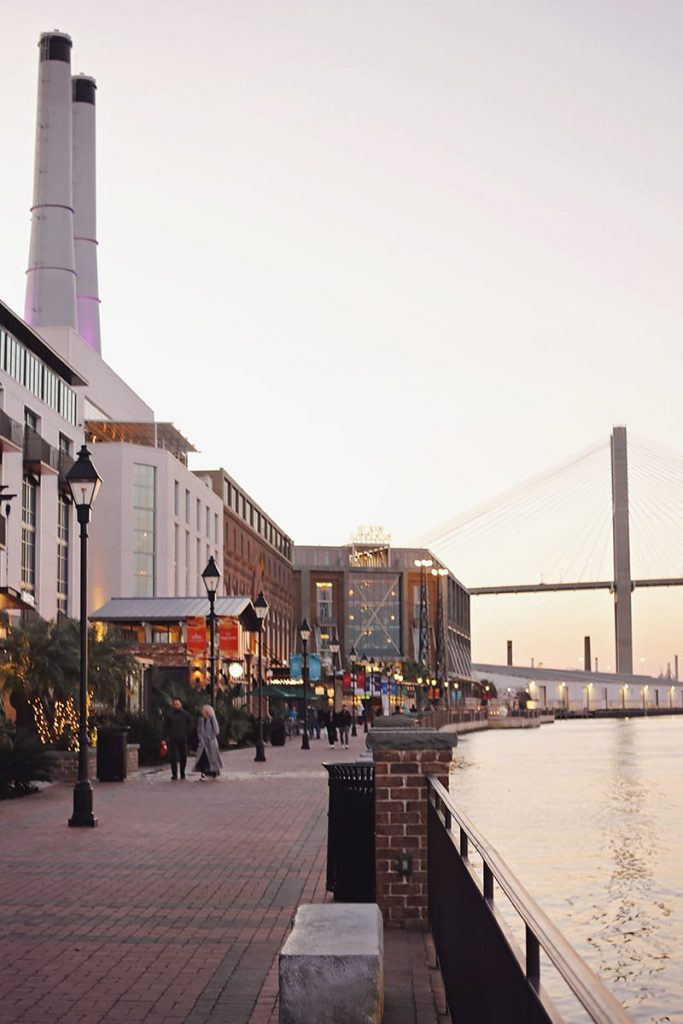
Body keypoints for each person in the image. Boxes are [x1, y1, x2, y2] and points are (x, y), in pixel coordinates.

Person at [163, 697, 192, 781]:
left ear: (181, 705)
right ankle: (174, 774)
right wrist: (164, 738)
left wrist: (186, 733)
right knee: (173, 757)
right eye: (175, 704)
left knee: (183, 756)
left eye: (178, 704)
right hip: (173, 739)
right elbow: (165, 727)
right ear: (172, 705)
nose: (176, 706)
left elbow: (190, 724)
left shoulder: (185, 714)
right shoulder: (169, 715)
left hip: (183, 738)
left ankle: (182, 773)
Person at [194, 704, 223, 779]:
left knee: (212, 757)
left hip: (211, 742)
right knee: (202, 757)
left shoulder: (212, 719)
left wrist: (209, 737)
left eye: (203, 710)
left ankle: (213, 771)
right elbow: (199, 730)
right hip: (203, 743)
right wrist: (201, 738)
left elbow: (216, 731)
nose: (202, 712)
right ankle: (203, 772)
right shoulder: (201, 719)